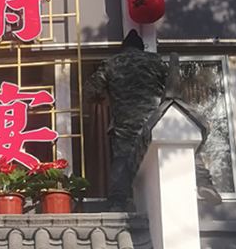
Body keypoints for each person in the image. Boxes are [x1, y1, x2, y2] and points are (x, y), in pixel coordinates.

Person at [85, 30, 221, 208]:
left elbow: (90, 91)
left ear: (123, 48)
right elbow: (174, 85)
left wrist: (102, 98)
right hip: (155, 120)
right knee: (184, 147)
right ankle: (204, 183)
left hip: (126, 123)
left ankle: (116, 202)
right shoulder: (154, 61)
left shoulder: (111, 64)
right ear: (142, 48)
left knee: (123, 160)